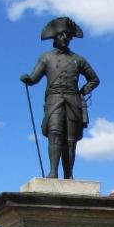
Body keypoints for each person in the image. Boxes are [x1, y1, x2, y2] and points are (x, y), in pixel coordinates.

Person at [20, 17, 99, 179]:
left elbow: (94, 79)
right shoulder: (46, 58)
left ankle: (68, 174)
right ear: (55, 37)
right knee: (55, 133)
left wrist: (83, 91)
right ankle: (53, 171)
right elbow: (35, 77)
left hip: (73, 100)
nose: (65, 38)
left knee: (70, 139)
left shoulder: (78, 59)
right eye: (62, 35)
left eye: (68, 36)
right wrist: (28, 79)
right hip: (54, 99)